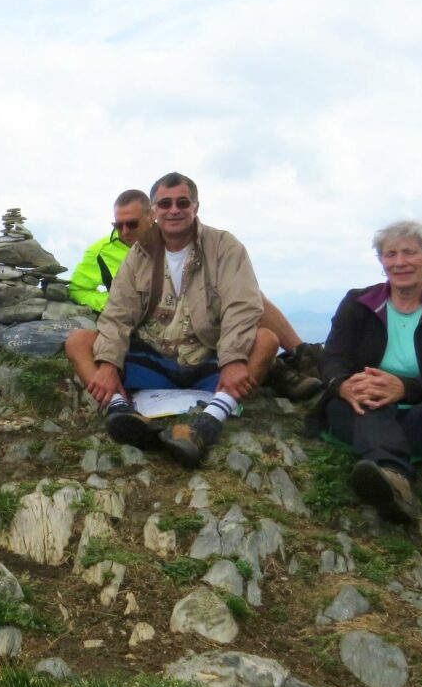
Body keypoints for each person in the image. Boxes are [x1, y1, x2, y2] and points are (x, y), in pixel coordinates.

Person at [69, 172, 279, 466]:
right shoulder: (139, 254)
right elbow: (117, 313)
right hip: (155, 355)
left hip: (208, 355)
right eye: (165, 204)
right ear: (154, 211)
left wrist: (232, 360)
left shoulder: (224, 247)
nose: (174, 210)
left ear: (196, 206)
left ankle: (208, 423)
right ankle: (121, 412)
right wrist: (108, 364)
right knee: (79, 341)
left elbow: (242, 305)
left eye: (182, 202)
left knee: (266, 340)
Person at [66, 189, 321, 400]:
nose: (124, 231)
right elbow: (79, 289)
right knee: (79, 341)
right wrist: (107, 302)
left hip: (200, 322)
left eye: (131, 224)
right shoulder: (101, 252)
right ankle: (117, 407)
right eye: (117, 224)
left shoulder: (200, 244)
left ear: (150, 216)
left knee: (251, 298)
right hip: (145, 328)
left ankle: (300, 356)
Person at [314, 221, 422, 523]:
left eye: (410, 253)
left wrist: (403, 389)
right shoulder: (358, 303)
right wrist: (343, 385)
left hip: (418, 417)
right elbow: (333, 358)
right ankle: (394, 482)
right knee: (371, 395)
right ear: (382, 262)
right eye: (390, 254)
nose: (399, 262)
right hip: (357, 410)